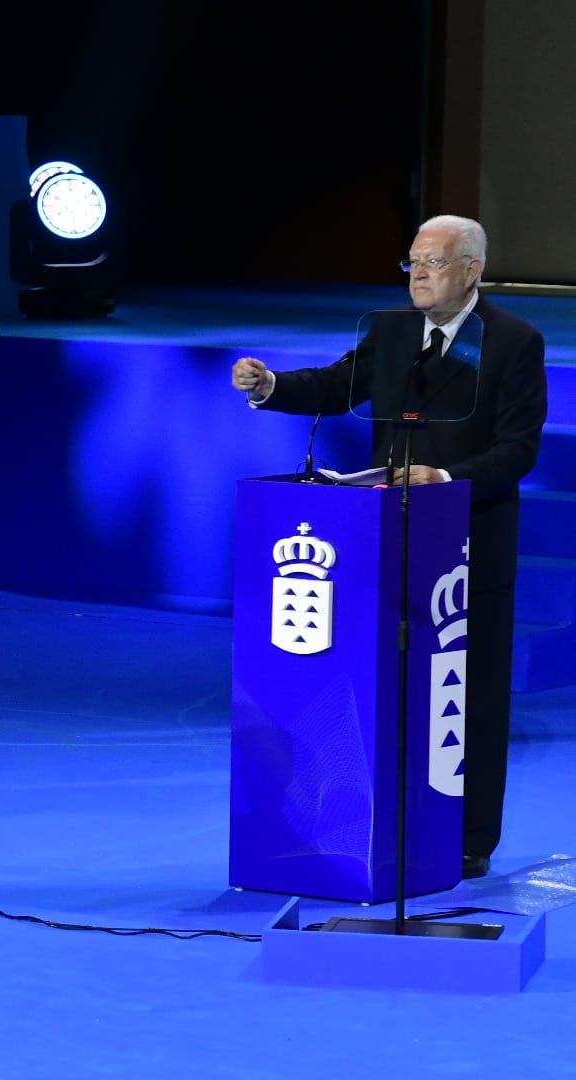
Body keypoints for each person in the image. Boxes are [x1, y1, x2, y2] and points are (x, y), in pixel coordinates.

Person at [231, 214, 547, 881]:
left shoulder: (514, 343)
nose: (419, 275)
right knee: (387, 687)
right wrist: (272, 387)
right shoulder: (391, 331)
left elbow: (518, 451)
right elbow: (338, 387)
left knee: (469, 699)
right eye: (412, 262)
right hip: (383, 543)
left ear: (472, 269)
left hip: (466, 549)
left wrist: (447, 478)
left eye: (433, 262)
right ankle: (385, 821)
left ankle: (468, 839)